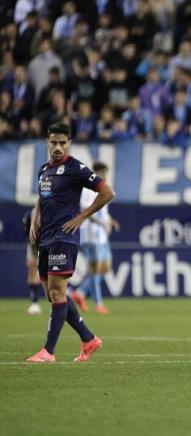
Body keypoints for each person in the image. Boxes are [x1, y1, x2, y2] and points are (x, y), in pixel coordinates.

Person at [26, 122, 115, 363]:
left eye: (62, 143)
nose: (57, 147)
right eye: (53, 142)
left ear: (69, 144)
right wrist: (36, 218)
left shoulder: (76, 168)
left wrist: (82, 217)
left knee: (57, 292)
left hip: (64, 237)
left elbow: (107, 192)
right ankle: (89, 339)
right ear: (47, 142)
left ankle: (48, 351)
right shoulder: (44, 170)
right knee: (53, 295)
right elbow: (42, 197)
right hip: (45, 237)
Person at [71, 162, 118, 315]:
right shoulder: (88, 189)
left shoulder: (102, 188)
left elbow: (102, 210)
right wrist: (102, 223)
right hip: (91, 235)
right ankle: (98, 303)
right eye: (104, 172)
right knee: (95, 269)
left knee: (105, 267)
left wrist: (110, 221)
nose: (106, 176)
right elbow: (86, 210)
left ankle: (80, 292)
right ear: (97, 172)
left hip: (101, 235)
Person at [22, 208, 43, 315]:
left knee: (54, 274)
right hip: (34, 244)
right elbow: (29, 237)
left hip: (50, 244)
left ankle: (62, 301)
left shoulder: (51, 215)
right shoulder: (29, 217)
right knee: (32, 267)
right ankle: (35, 303)